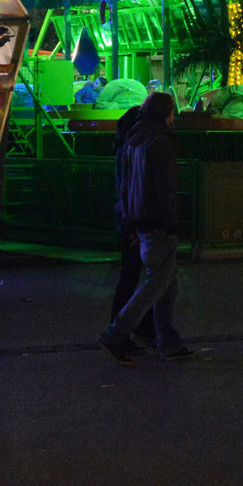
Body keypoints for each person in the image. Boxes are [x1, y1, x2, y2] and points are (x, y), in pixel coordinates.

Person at [98, 91, 193, 363]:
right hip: (158, 224)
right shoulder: (160, 142)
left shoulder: (132, 140)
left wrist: (128, 222)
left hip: (139, 221)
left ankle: (168, 341)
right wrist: (173, 222)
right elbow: (165, 187)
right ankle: (116, 333)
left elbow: (125, 186)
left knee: (166, 284)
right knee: (155, 285)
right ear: (167, 113)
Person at [107, 105, 156, 347]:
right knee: (138, 278)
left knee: (134, 276)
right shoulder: (132, 151)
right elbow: (129, 189)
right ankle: (123, 330)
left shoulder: (124, 148)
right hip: (132, 222)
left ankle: (139, 327)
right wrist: (132, 225)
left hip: (127, 220)